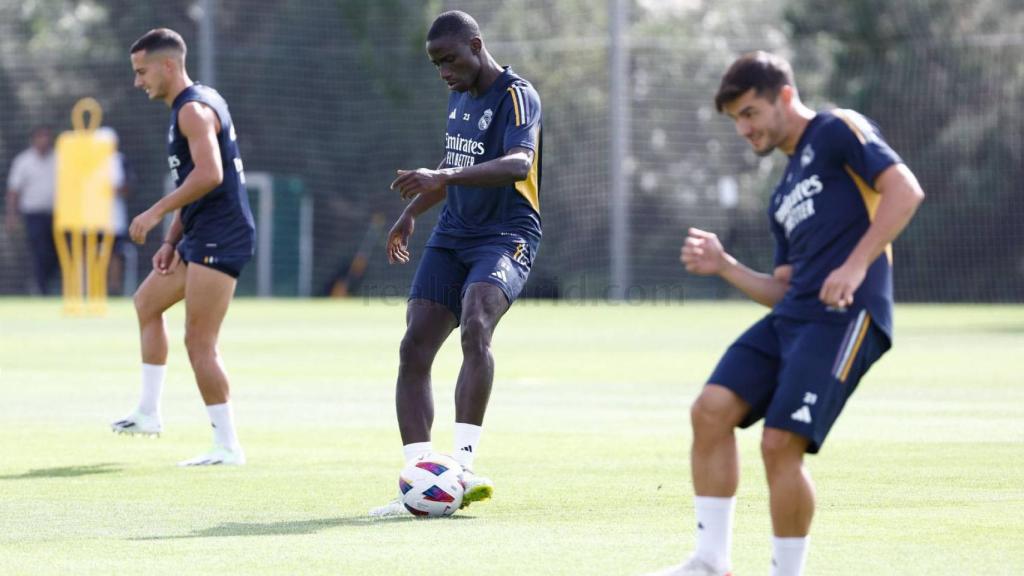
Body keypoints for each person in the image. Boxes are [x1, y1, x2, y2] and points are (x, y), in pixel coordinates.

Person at [649, 52, 925, 576]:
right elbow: (782, 289)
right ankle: (710, 562)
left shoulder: (838, 128)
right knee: (709, 410)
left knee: (779, 443)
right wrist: (725, 265)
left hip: (847, 314)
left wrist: (854, 265)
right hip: (793, 317)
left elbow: (905, 191)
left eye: (750, 113)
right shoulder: (780, 195)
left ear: (783, 96)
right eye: (736, 120)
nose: (744, 129)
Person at [370, 10, 543, 517]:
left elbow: (519, 164)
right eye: (435, 64)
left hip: (507, 232)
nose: (443, 71)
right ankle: (422, 480)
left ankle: (462, 470)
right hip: (453, 234)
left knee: (475, 324)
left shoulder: (516, 94)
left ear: (475, 45)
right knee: (413, 344)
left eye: (448, 59)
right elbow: (448, 170)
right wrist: (409, 213)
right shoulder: (457, 97)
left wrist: (442, 176)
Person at [110, 28, 255, 467]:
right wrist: (172, 239)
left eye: (142, 72)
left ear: (168, 65)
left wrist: (153, 214)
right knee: (146, 302)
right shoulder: (193, 103)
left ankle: (227, 445)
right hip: (197, 235)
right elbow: (192, 186)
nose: (138, 82)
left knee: (200, 342)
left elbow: (209, 175)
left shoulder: (192, 110)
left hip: (222, 235)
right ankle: (149, 413)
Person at [5, 126, 58, 295]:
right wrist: (11, 215)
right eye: (40, 137)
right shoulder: (23, 161)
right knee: (39, 252)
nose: (44, 141)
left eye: (46, 137)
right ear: (33, 139)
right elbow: (14, 191)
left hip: (57, 215)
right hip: (33, 216)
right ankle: (41, 289)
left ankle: (52, 286)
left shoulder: (59, 158)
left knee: (56, 253)